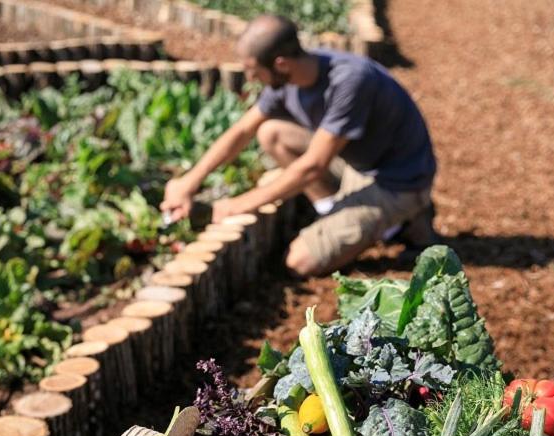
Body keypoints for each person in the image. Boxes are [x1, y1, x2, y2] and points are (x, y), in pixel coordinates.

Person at [161, 14, 438, 276]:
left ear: (280, 64)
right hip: (361, 161)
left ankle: (404, 219)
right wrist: (189, 182)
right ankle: (335, 213)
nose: (249, 79)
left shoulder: (349, 80)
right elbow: (243, 130)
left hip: (398, 181)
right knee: (272, 134)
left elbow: (313, 167)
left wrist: (239, 205)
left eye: (252, 70)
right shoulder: (293, 77)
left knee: (299, 262)